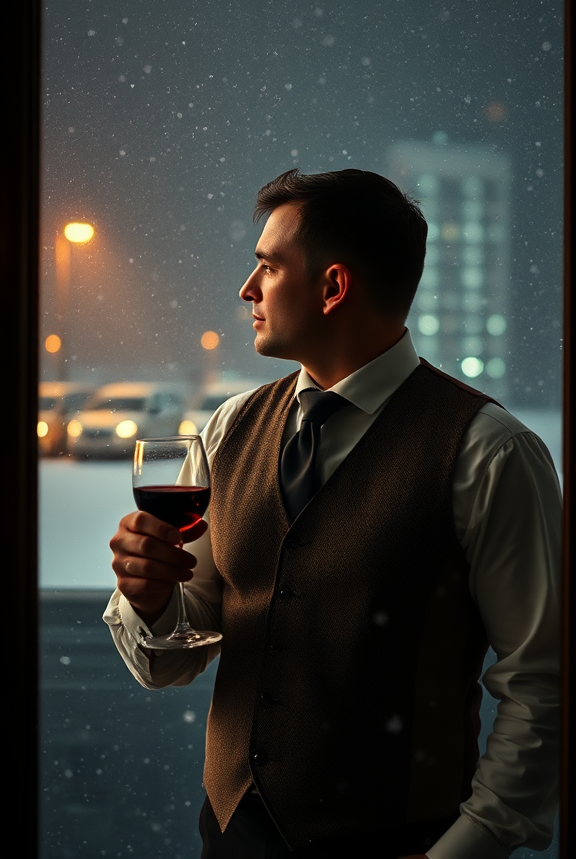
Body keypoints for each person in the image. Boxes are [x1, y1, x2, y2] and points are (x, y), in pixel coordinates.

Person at [105, 168, 561, 859]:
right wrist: (148, 598)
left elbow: (545, 682)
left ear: (333, 286)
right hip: (230, 838)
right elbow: (170, 659)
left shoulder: (489, 453)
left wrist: (464, 851)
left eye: (266, 266)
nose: (246, 289)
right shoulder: (229, 430)